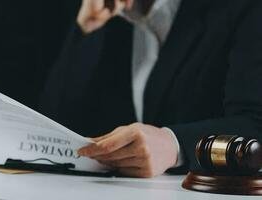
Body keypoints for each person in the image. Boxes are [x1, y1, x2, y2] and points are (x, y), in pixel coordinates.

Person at [39, 0, 262, 177]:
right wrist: (86, 30)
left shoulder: (244, 7)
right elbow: (54, 121)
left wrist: (175, 145)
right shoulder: (111, 12)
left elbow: (255, 123)